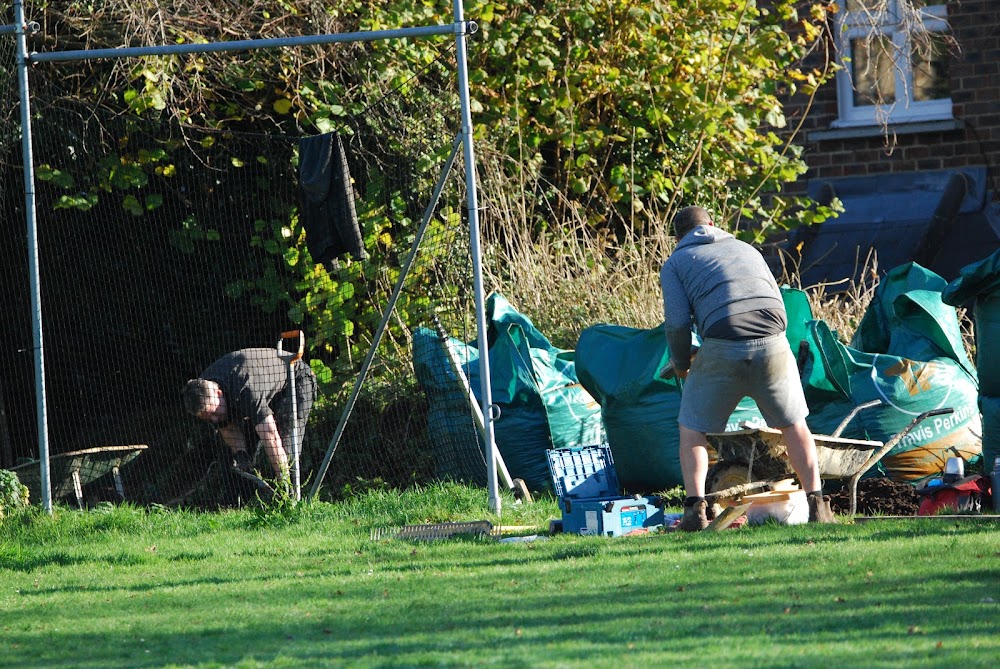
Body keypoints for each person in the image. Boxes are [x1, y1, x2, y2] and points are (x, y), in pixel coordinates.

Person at [659, 206, 836, 531]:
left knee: (692, 429)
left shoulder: (676, 263)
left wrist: (682, 363)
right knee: (795, 426)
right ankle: (818, 505)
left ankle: (695, 512)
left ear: (677, 237)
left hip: (722, 344)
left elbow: (677, 323)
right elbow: (773, 300)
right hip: (774, 341)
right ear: (712, 225)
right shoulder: (746, 248)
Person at [182, 348, 317, 480]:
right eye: (208, 417)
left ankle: (290, 494)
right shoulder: (203, 392)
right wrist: (241, 455)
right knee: (245, 453)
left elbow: (270, 435)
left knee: (286, 444)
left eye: (214, 413)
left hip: (295, 378)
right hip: (264, 389)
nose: (214, 419)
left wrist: (283, 478)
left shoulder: (245, 388)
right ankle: (248, 496)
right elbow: (227, 427)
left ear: (219, 393)